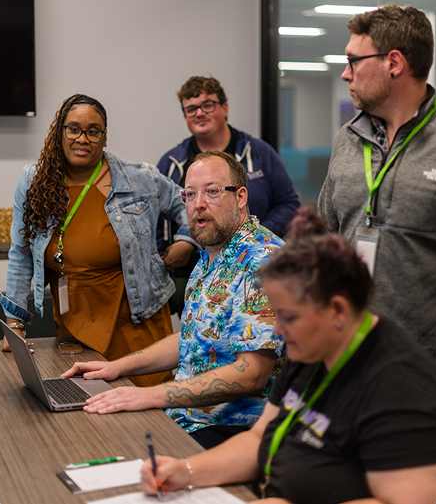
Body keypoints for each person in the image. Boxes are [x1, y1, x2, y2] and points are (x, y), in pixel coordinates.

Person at [140, 210, 436, 504]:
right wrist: (187, 471)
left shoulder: (401, 384)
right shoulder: (314, 348)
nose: (278, 331)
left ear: (337, 310)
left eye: (287, 317)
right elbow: (260, 439)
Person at [63, 151, 285, 449]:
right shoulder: (211, 256)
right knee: (88, 438)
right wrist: (119, 367)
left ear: (241, 196)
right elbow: (192, 337)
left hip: (236, 430)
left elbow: (252, 375)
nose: (199, 204)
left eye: (213, 191)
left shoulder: (263, 259)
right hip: (187, 417)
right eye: (190, 194)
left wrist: (151, 394)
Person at [0, 94, 196, 386]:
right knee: (87, 409)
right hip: (72, 318)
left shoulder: (139, 178)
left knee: (148, 420)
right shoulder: (34, 181)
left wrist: (186, 240)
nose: (83, 138)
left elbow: (191, 203)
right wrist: (14, 321)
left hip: (137, 320)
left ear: (104, 138)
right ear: (59, 132)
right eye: (74, 128)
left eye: (93, 131)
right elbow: (21, 253)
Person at [318, 3, 436, 358]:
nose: (345, 74)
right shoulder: (347, 137)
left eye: (354, 61)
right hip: (345, 349)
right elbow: (327, 236)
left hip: (421, 363)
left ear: (393, 63)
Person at [157, 75, 300, 315]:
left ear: (225, 108)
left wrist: (248, 238)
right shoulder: (172, 163)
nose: (199, 113)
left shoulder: (259, 153)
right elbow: (158, 220)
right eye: (190, 109)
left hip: (252, 269)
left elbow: (288, 204)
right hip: (196, 272)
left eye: (207, 105)